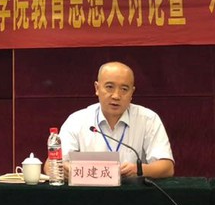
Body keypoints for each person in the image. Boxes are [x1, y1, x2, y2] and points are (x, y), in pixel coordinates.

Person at [45, 61, 174, 180]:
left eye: (124, 89)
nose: (116, 96)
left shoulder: (148, 119)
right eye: (109, 87)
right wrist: (65, 169)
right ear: (97, 88)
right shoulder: (77, 120)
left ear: (132, 93)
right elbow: (50, 165)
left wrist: (139, 170)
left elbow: (167, 167)